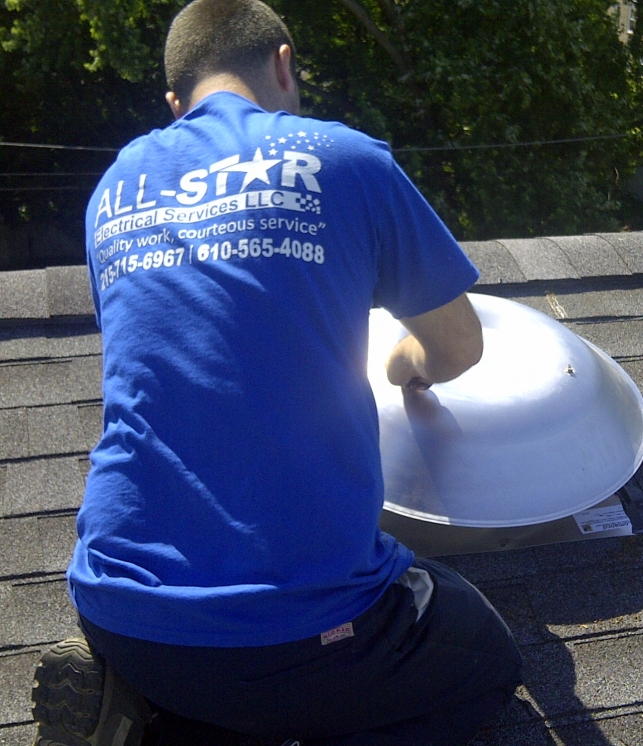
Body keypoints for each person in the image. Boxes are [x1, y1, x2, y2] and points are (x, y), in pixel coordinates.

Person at [30, 1, 523, 744]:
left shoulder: (113, 190)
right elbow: (458, 346)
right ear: (285, 64)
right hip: (298, 630)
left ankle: (142, 706)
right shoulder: (347, 159)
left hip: (117, 603)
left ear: (176, 104)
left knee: (222, 678)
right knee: (484, 660)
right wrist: (404, 362)